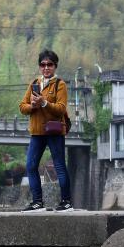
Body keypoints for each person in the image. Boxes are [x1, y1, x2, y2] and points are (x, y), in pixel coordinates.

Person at [18, 49, 72, 212]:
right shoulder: (34, 83)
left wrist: (44, 103)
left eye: (50, 64)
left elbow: (61, 109)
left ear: (55, 66)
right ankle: (37, 202)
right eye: (43, 64)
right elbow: (22, 107)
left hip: (54, 132)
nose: (46, 67)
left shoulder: (59, 84)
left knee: (59, 166)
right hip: (36, 132)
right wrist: (32, 105)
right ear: (39, 67)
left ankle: (66, 202)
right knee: (31, 166)